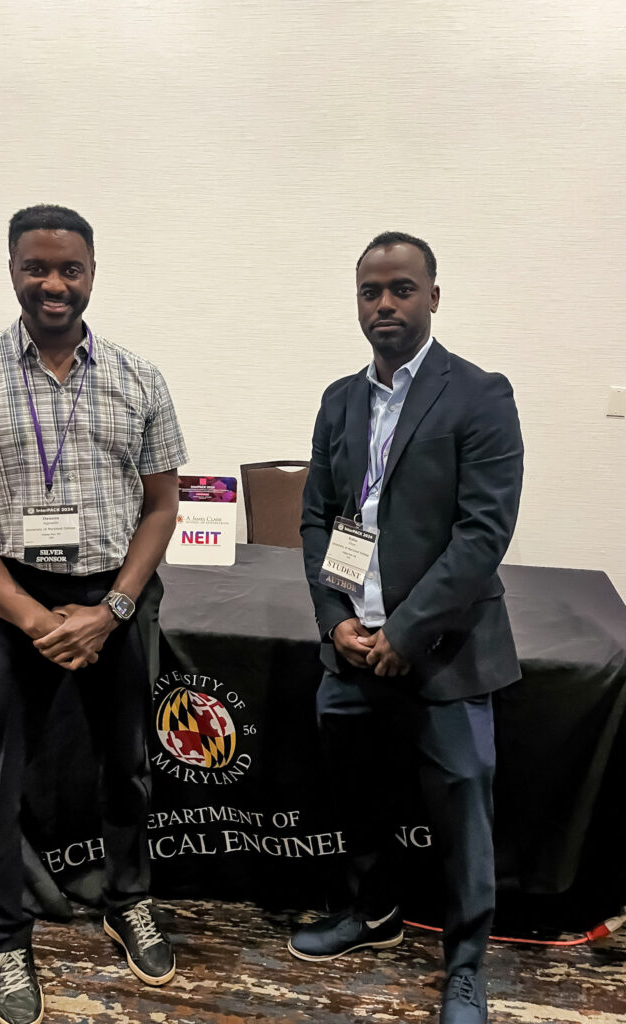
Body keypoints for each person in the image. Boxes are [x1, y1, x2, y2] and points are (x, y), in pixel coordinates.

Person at [0, 205, 188, 1024]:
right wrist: (33, 619)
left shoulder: (140, 378)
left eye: (70, 269)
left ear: (94, 273)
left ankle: (127, 898)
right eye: (38, 267)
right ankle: (6, 940)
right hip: (7, 599)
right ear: (12, 270)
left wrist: (113, 609)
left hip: (117, 597)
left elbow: (162, 507)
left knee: (128, 765)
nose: (54, 284)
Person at [291, 232, 523, 1024]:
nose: (384, 304)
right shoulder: (338, 399)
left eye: (401, 289)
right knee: (357, 798)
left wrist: (408, 631)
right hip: (355, 648)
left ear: (432, 295)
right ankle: (372, 914)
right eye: (370, 291)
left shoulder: (480, 394)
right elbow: (320, 520)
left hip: (446, 653)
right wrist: (337, 623)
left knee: (462, 813)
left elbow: (482, 535)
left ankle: (466, 967)